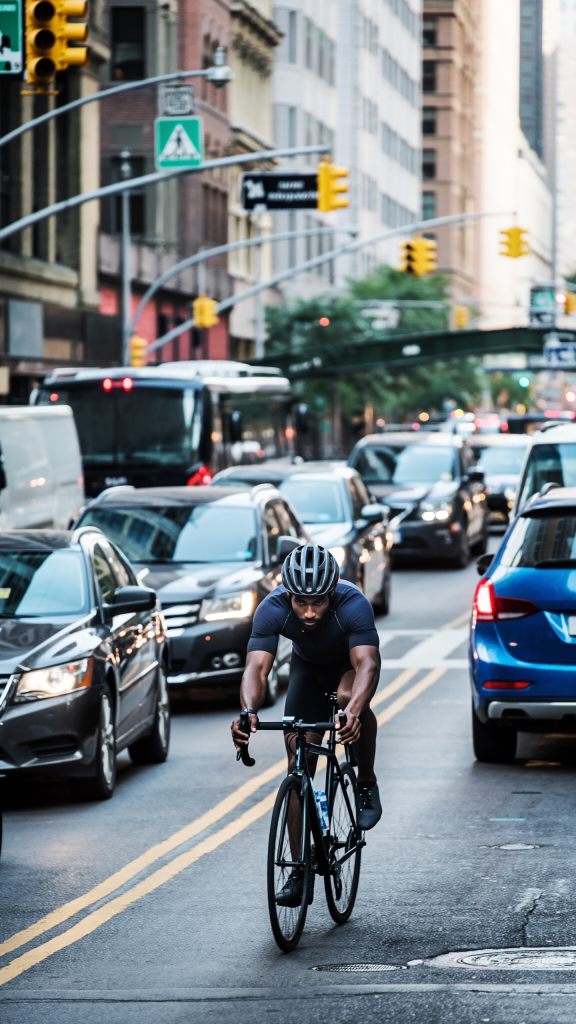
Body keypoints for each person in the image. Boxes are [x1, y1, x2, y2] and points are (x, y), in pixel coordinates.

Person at [231, 542, 382, 907]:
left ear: (332, 593)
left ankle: (365, 781)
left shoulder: (353, 603)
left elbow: (368, 665)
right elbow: (256, 667)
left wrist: (354, 713)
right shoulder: (273, 607)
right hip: (307, 673)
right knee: (297, 757)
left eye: (318, 602)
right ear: (288, 595)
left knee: (347, 700)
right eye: (301, 602)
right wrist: (248, 711)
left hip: (346, 670)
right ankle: (299, 871)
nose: (310, 612)